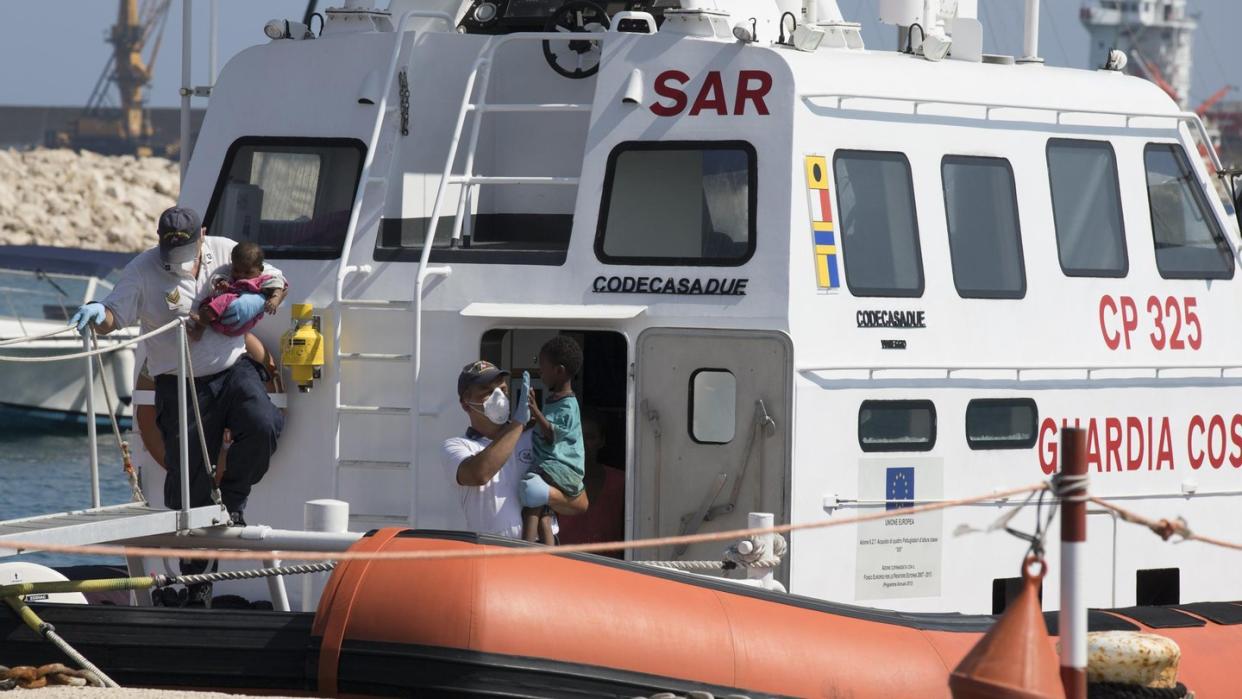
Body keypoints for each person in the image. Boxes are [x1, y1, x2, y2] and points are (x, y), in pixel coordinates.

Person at [69, 206, 286, 605]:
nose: (179, 259)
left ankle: (234, 501)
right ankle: (193, 582)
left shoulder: (226, 251)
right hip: (178, 383)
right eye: (171, 250)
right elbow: (116, 314)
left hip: (232, 368)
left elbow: (272, 279)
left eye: (185, 248)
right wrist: (98, 314)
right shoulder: (144, 269)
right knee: (189, 487)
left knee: (262, 423)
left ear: (201, 235)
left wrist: (266, 300)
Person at [443, 360, 587, 540]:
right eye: (488, 391)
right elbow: (479, 474)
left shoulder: (534, 437)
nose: (499, 397)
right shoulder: (457, 446)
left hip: (542, 553)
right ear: (466, 403)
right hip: (493, 555)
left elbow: (580, 503)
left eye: (503, 390)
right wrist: (519, 423)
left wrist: (548, 495)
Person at [515, 336, 585, 544]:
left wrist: (534, 409)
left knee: (531, 508)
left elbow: (552, 434)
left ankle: (525, 553)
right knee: (544, 515)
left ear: (559, 370)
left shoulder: (568, 405)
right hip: (556, 468)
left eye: (543, 367)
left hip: (558, 469)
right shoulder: (556, 400)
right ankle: (550, 556)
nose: (540, 372)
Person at [554, 410, 625, 556]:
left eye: (590, 437)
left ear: (602, 441)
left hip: (611, 568)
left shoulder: (621, 482)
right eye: (578, 437)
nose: (583, 444)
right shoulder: (556, 480)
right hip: (565, 567)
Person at [188, 241, 287, 340]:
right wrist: (222, 284)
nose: (241, 275)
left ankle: (201, 324)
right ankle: (200, 329)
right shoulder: (231, 276)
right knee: (207, 306)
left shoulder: (262, 279)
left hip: (243, 323)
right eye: (236, 270)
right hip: (224, 319)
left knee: (217, 304)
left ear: (261, 269)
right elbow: (218, 278)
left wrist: (275, 299)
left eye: (247, 272)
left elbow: (278, 286)